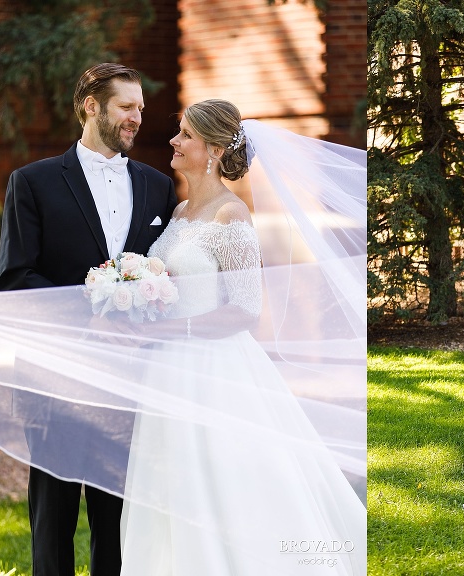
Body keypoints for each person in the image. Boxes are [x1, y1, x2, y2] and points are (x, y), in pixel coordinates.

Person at [117, 99, 366, 574]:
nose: (173, 141)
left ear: (213, 149)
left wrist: (172, 327)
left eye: (186, 135)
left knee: (220, 479)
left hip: (213, 369)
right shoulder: (181, 210)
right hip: (168, 367)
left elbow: (246, 310)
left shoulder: (231, 215)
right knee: (170, 481)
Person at [0, 63, 178, 575]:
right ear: (91, 106)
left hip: (131, 377)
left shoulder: (158, 187)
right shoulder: (32, 182)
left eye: (140, 108)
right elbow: (16, 277)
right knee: (53, 517)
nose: (137, 118)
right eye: (126, 107)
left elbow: (167, 277)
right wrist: (89, 316)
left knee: (117, 521)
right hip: (54, 373)